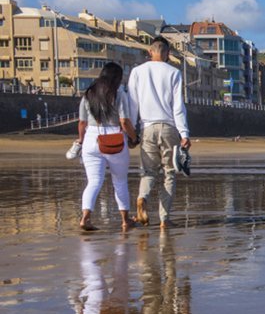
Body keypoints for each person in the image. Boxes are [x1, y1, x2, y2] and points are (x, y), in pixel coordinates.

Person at [128, 37, 190, 229]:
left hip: (147, 127)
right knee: (169, 174)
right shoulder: (174, 72)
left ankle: (142, 198)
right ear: (167, 53)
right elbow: (178, 106)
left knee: (148, 172)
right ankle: (164, 219)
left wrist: (132, 133)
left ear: (150, 51)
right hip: (169, 127)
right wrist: (184, 133)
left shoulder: (137, 72)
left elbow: (132, 104)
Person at [73, 62, 139, 231]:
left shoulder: (88, 94)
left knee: (93, 182)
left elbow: (82, 122)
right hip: (114, 138)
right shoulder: (119, 94)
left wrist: (81, 140)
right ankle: (125, 220)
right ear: (117, 78)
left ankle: (85, 218)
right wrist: (134, 137)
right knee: (120, 181)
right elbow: (124, 121)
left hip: (91, 138)